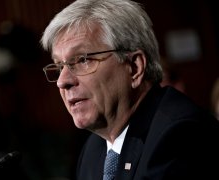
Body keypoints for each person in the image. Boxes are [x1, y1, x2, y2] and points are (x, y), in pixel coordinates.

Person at [40, 0, 219, 179]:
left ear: (134, 68)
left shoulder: (179, 136)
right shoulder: (93, 151)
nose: (62, 81)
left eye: (82, 60)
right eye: (59, 66)